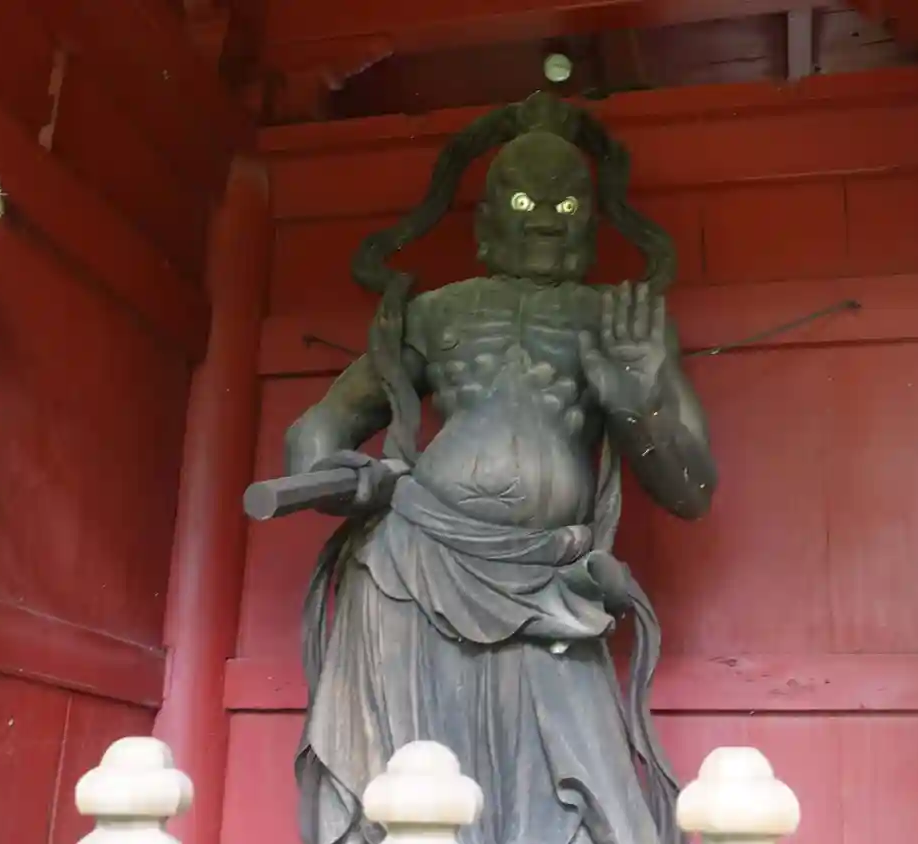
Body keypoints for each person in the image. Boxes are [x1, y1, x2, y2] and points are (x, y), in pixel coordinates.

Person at [285, 93, 717, 844]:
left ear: (593, 219)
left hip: (549, 583)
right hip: (411, 569)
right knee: (412, 781)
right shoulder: (435, 315)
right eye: (523, 201)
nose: (545, 218)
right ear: (486, 222)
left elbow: (693, 490)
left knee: (587, 804)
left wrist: (638, 406)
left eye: (567, 203)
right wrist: (329, 470)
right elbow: (324, 424)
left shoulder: (620, 324)